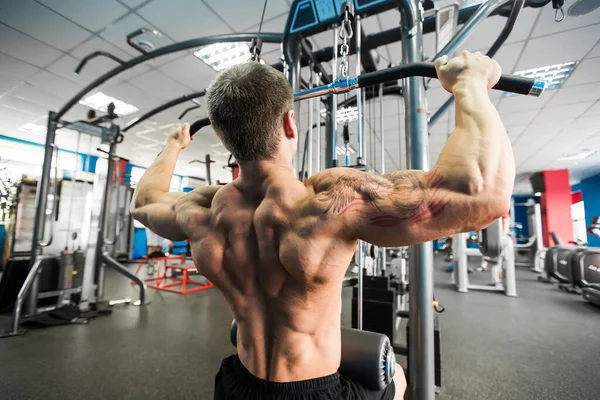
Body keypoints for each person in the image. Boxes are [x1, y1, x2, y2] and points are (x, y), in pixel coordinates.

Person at [130, 50, 513, 400]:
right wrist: (469, 83)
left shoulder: (202, 211)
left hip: (236, 385)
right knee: (396, 378)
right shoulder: (322, 203)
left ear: (227, 139)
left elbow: (144, 202)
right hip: (313, 393)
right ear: (289, 124)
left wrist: (173, 145)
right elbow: (480, 195)